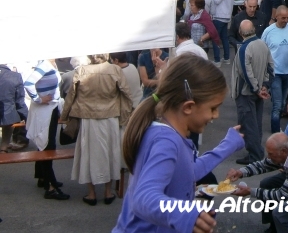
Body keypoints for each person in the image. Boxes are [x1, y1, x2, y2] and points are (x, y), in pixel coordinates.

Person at [112, 54, 245, 233]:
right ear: (188, 107)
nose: (216, 115)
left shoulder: (167, 135)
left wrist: (227, 145)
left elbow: (188, 171)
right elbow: (144, 197)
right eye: (213, 108)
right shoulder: (166, 142)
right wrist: (186, 215)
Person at [61, 54, 133, 206]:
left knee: (88, 154)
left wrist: (65, 116)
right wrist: (124, 117)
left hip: (88, 117)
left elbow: (71, 95)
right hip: (110, 117)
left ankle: (91, 193)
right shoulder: (114, 70)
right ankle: (107, 192)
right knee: (110, 154)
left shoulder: (82, 70)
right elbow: (126, 94)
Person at [24, 59, 70, 200]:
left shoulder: (49, 64)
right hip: (44, 111)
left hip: (49, 109)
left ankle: (43, 178)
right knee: (47, 147)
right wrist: (39, 99)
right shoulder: (45, 65)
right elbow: (28, 83)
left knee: (44, 145)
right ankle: (50, 187)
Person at [231, 20, 273, 164]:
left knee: (248, 124)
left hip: (246, 93)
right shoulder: (263, 44)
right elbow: (270, 67)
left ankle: (255, 155)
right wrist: (265, 86)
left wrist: (256, 89)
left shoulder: (244, 48)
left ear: (240, 32)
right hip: (258, 91)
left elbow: (245, 72)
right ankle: (257, 151)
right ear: (254, 29)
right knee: (256, 123)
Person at [261, 6, 288, 133]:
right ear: (276, 16)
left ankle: (278, 128)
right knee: (278, 105)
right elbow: (262, 49)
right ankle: (275, 132)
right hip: (275, 72)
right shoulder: (269, 31)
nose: (286, 20)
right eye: (283, 18)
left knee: (283, 103)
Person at [209, 0, 234, 67]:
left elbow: (217, 0)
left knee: (215, 38)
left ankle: (217, 60)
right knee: (224, 38)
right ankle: (227, 58)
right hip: (226, 16)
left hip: (219, 16)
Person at [0, 64, 28, 153]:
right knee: (8, 125)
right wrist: (25, 116)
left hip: (7, 113)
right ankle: (4, 148)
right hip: (8, 115)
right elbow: (19, 100)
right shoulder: (15, 76)